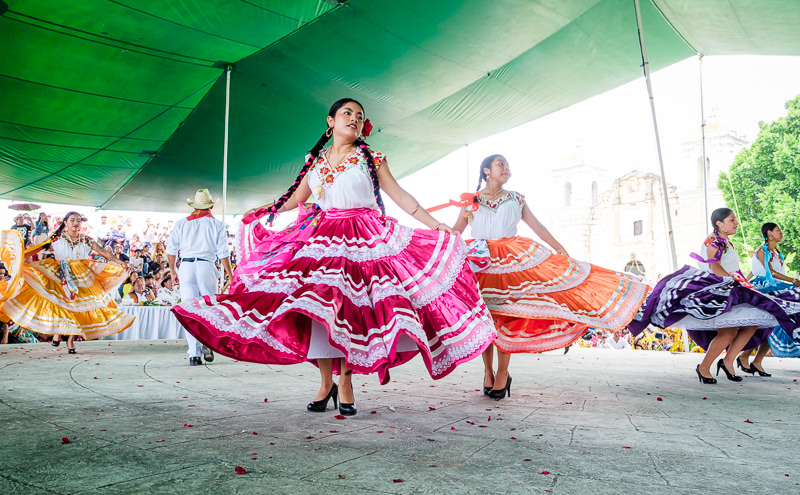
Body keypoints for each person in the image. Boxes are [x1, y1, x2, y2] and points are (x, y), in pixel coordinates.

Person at [172, 98, 495, 416]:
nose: (353, 118)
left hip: (365, 237)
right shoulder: (315, 160)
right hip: (320, 238)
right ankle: (326, 382)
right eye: (347, 113)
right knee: (315, 310)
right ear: (331, 122)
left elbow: (401, 197)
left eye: (359, 115)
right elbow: (295, 198)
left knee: (350, 313)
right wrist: (264, 209)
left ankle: (345, 382)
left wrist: (437, 225)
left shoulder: (371, 157)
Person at [450, 154, 649, 398]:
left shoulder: (517, 199)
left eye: (508, 166)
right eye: (501, 164)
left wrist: (560, 249)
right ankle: (487, 372)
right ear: (486, 170)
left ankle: (502, 373)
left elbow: (539, 227)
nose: (507, 169)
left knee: (505, 317)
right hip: (479, 262)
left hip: (511, 262)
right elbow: (455, 232)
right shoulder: (471, 202)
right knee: (485, 318)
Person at [630, 208, 800, 384]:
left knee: (750, 326)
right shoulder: (714, 240)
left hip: (730, 287)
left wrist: (740, 281)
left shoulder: (725, 241)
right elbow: (714, 266)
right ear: (720, 224)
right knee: (728, 333)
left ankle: (727, 361)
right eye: (732, 220)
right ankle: (705, 367)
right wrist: (730, 280)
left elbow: (732, 269)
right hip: (717, 289)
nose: (736, 223)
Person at [0, 212, 134, 354]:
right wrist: (17, 259)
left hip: (82, 277)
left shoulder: (87, 240)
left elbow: (103, 252)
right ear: (65, 222)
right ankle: (59, 333)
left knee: (79, 307)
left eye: (78, 220)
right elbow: (38, 248)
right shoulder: (56, 237)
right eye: (72, 220)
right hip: (58, 274)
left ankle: (69, 340)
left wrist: (121, 262)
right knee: (62, 305)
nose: (76, 223)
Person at [167, 189, 233, 366]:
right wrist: (230, 275)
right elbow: (223, 254)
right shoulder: (217, 225)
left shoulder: (181, 224)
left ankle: (193, 354)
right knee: (208, 308)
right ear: (210, 206)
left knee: (190, 309)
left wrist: (173, 271)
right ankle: (206, 344)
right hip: (206, 266)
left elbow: (171, 251)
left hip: (186, 266)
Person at [741, 222, 800, 371]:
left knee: (770, 324)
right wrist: (793, 281)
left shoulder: (775, 251)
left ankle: (756, 361)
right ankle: (744, 357)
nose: (781, 233)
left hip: (775, 285)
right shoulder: (762, 250)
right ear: (769, 234)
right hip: (766, 288)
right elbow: (770, 272)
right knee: (767, 323)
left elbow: (754, 271)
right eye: (777, 230)